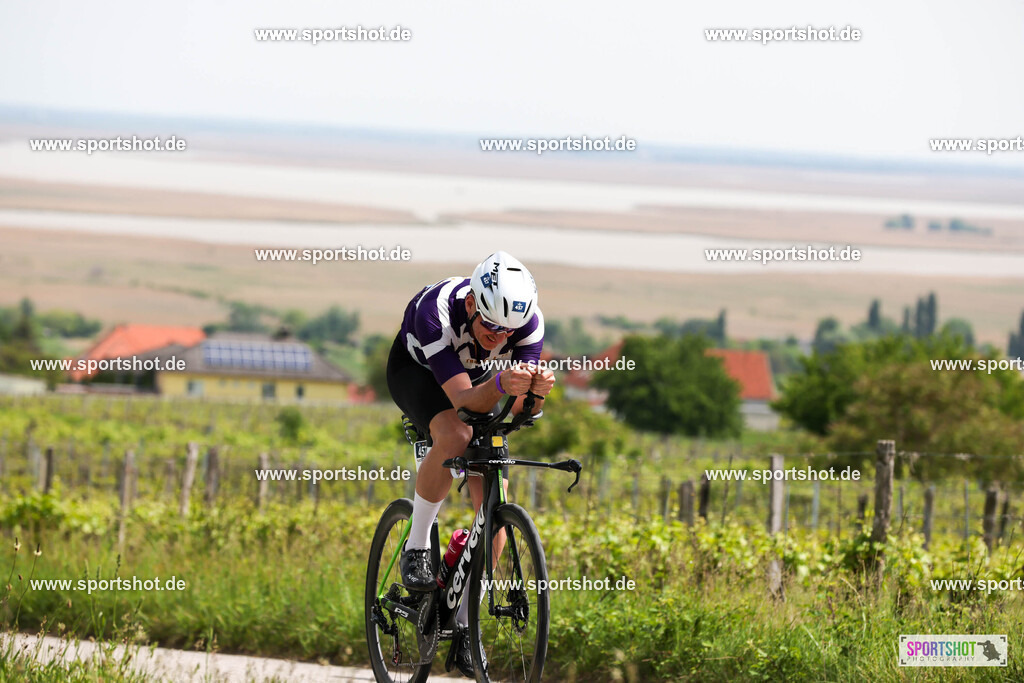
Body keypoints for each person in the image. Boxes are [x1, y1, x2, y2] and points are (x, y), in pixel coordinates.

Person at [385, 250, 554, 676]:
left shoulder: (527, 324)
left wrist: (534, 394)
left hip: (475, 379)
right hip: (418, 372)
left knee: (494, 505)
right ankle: (417, 543)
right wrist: (501, 382)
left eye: (508, 332)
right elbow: (461, 403)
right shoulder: (436, 311)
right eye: (491, 327)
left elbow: (521, 413)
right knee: (456, 435)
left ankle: (464, 627)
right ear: (472, 304)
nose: (499, 338)